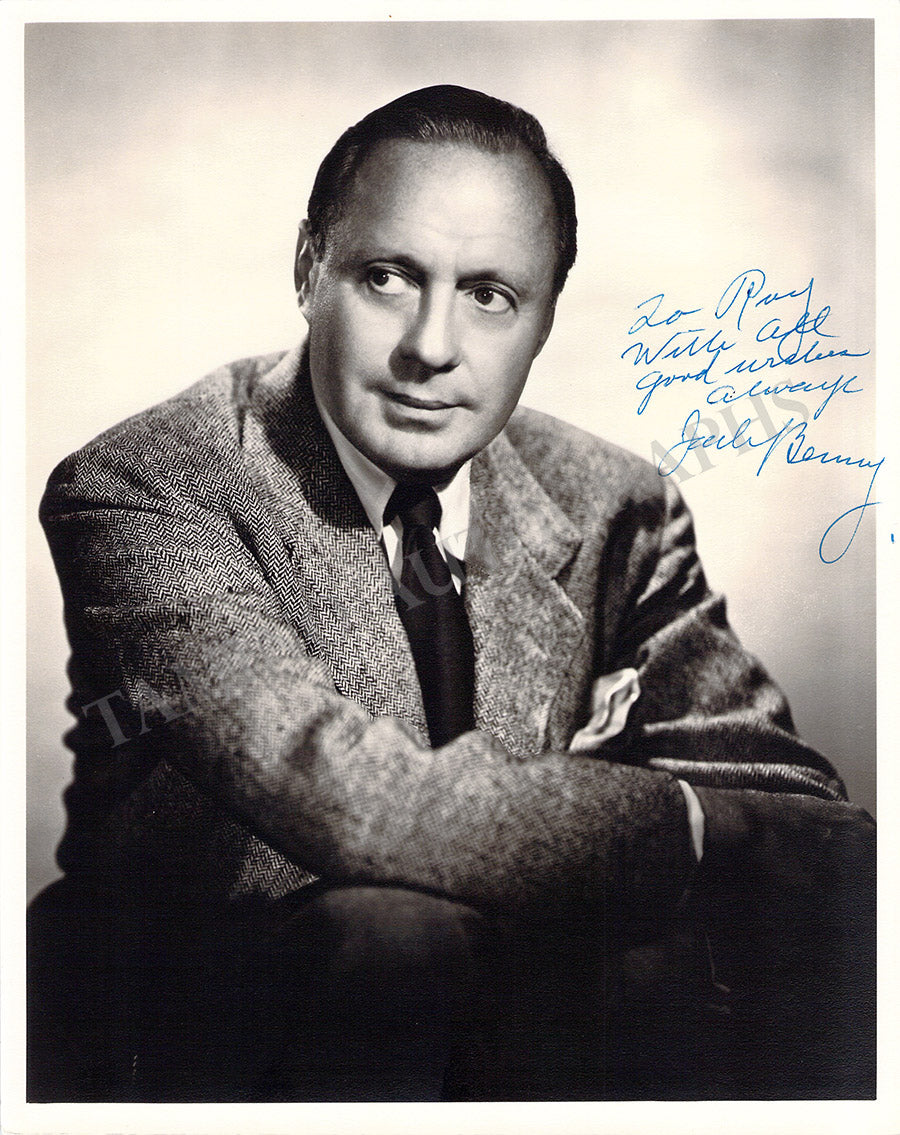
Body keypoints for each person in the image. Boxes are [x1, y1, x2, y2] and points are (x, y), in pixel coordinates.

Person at [29, 84, 874, 1103]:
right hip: (214, 1048)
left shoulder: (614, 503)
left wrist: (722, 840)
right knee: (392, 934)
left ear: (545, 318)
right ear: (307, 269)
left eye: (489, 295)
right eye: (388, 277)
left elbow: (798, 823)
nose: (432, 346)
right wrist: (686, 827)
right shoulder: (149, 484)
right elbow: (350, 800)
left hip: (527, 1043)